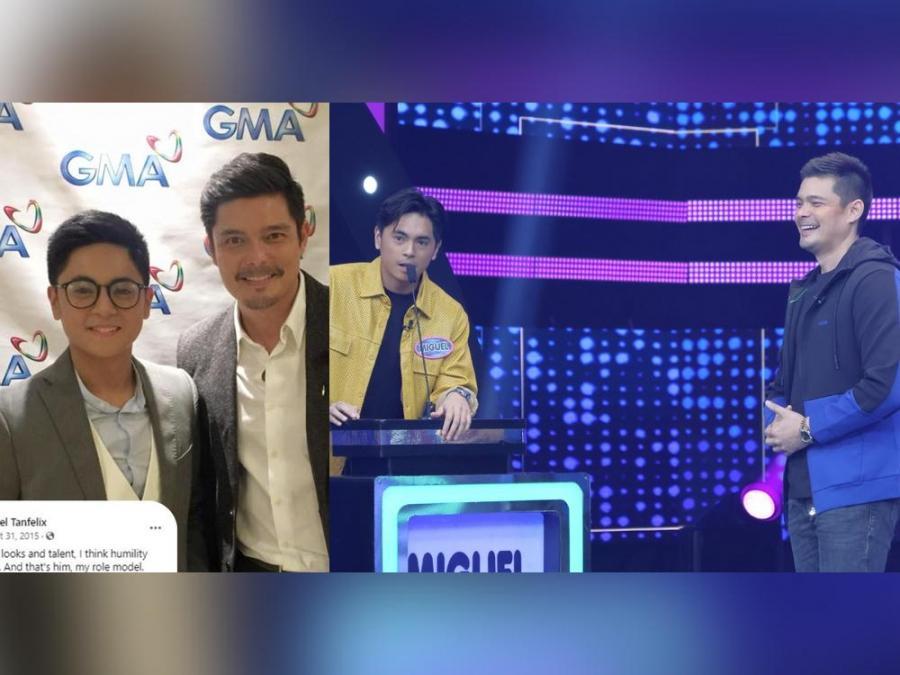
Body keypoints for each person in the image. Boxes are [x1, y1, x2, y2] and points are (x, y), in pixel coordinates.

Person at [0, 211, 205, 571]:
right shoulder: (12, 417)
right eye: (83, 290)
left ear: (147, 301)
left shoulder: (182, 394)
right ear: (55, 301)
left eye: (122, 290)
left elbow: (195, 524)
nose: (105, 307)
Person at [177, 153, 328, 573]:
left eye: (274, 235)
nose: (256, 257)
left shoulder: (351, 328)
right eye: (234, 240)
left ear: (303, 235)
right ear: (211, 249)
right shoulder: (196, 351)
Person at [765, 152, 900, 572]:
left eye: (816, 202)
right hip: (802, 489)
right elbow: (784, 384)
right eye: (799, 202)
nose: (802, 213)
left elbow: (886, 386)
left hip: (857, 491)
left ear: (853, 210)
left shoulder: (876, 279)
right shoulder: (803, 290)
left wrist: (807, 428)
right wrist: (776, 420)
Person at [329, 187, 478, 449]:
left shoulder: (450, 314)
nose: (409, 251)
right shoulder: (333, 285)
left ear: (435, 250)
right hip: (328, 453)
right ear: (378, 237)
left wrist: (457, 397)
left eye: (422, 242)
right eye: (399, 238)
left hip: (401, 460)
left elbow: (456, 381)